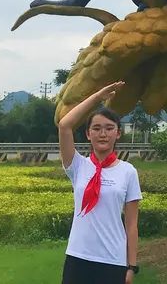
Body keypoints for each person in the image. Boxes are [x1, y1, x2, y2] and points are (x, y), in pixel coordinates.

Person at [59, 81, 141, 284]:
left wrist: (131, 266)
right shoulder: (78, 166)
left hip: (112, 260)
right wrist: (97, 97)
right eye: (96, 128)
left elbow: (131, 224)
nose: (102, 134)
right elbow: (65, 125)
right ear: (88, 134)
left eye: (109, 128)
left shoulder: (128, 172)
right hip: (78, 257)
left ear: (118, 133)